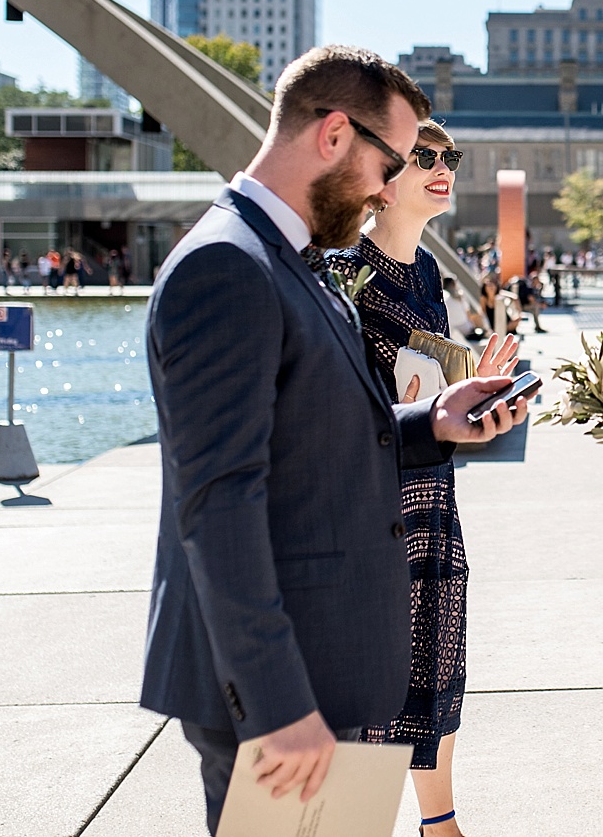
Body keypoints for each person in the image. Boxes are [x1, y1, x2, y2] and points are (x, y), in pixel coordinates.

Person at [140, 45, 531, 835]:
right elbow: (217, 507)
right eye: (390, 160)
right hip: (280, 691)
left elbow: (306, 436)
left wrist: (433, 422)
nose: (390, 186)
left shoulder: (289, 258)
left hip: (324, 664)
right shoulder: (227, 266)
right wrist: (279, 705)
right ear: (332, 136)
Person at [327, 118, 518, 837]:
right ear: (382, 177)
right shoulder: (345, 271)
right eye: (425, 157)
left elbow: (428, 383)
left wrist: (482, 385)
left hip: (432, 491)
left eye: (451, 157)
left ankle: (441, 825)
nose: (444, 167)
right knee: (375, 680)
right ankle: (359, 824)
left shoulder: (428, 275)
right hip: (374, 507)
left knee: (435, 663)